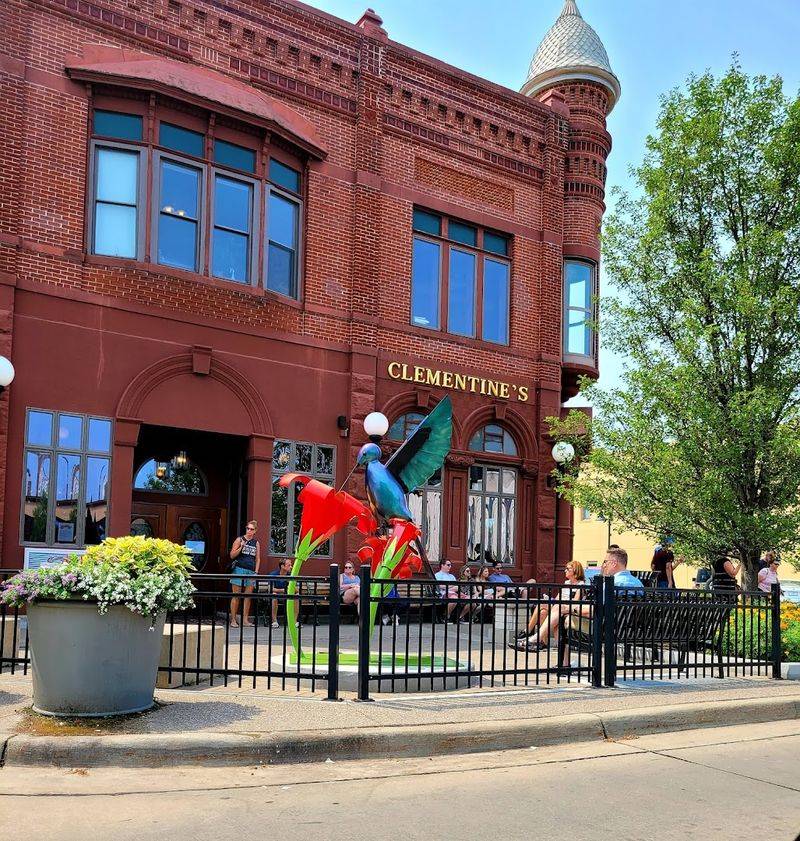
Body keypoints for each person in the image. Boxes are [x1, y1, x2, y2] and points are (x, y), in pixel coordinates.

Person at [513, 561, 585, 648]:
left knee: (542, 605)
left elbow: (575, 604)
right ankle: (542, 642)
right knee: (543, 611)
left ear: (575, 570)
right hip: (558, 606)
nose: (565, 571)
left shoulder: (581, 585)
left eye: (567, 569)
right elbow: (558, 598)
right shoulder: (567, 583)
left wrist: (561, 603)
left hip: (567, 609)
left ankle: (528, 632)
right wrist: (551, 600)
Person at [229, 520, 261, 627]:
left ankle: (245, 620)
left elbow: (257, 559)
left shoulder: (256, 543)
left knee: (248, 596)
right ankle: (233, 620)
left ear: (255, 531)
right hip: (239, 569)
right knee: (236, 595)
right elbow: (232, 555)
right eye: (248, 528)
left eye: (251, 529)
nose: (249, 531)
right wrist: (241, 547)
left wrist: (256, 572)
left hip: (250, 571)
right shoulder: (239, 539)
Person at [266, 557, 294, 628]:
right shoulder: (273, 574)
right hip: (276, 596)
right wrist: (282, 590)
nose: (291, 567)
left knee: (297, 595)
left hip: (287, 597)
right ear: (282, 566)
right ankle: (274, 621)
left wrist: (291, 583)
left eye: (291, 565)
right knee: (274, 595)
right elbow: (270, 589)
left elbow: (296, 590)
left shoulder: (290, 575)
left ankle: (294, 621)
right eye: (289, 565)